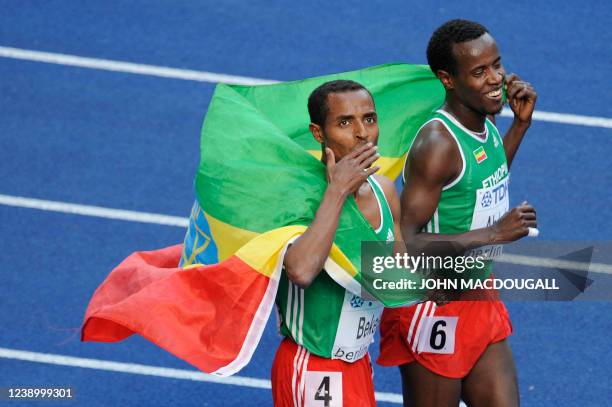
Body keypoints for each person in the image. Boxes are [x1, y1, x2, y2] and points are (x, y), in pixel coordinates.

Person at [378, 19, 538, 406]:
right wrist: (493, 235)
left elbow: (481, 180)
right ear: (448, 80)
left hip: (478, 295)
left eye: (497, 65)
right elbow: (406, 244)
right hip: (432, 306)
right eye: (479, 72)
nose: (495, 79)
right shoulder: (437, 144)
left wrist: (519, 127)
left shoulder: (484, 123)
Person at [271, 80, 402, 406]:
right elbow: (300, 271)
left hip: (358, 363)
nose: (362, 132)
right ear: (318, 133)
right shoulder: (297, 199)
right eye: (345, 122)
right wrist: (337, 191)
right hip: (313, 367)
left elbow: (398, 275)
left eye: (369, 119)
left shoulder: (385, 192)